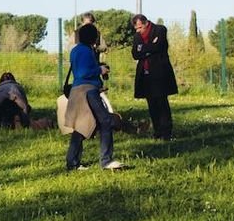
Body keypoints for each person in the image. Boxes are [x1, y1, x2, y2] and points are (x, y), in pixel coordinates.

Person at [64, 23, 118, 170]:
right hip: (88, 90)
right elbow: (84, 73)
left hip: (77, 90)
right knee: (106, 121)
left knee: (81, 127)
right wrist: (100, 70)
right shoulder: (86, 51)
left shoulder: (76, 50)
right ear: (93, 37)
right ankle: (106, 160)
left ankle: (72, 162)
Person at [131, 13, 177, 140]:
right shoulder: (137, 36)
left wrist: (143, 49)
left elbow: (159, 46)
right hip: (145, 74)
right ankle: (157, 131)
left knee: (162, 102)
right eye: (136, 29)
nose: (138, 31)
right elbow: (135, 54)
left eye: (140, 27)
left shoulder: (160, 30)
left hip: (159, 73)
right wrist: (149, 48)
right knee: (151, 104)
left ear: (146, 23)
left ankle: (166, 132)